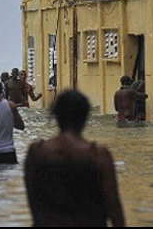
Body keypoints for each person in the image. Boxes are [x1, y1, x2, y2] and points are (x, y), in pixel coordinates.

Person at [24, 90, 125, 227]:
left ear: (56, 116)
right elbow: (113, 205)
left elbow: (33, 202)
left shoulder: (37, 151)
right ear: (85, 116)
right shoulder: (98, 155)